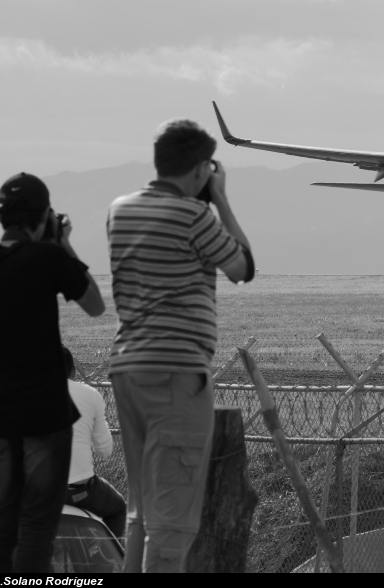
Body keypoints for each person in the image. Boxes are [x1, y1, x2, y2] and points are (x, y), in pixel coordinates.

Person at [107, 119, 255, 572]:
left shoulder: (120, 209)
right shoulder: (195, 217)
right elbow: (242, 266)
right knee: (173, 522)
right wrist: (221, 199)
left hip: (127, 365)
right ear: (199, 169)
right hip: (175, 371)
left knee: (142, 511)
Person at [0, 172, 105, 573]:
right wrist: (62, 242)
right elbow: (95, 305)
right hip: (44, 415)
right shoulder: (49, 257)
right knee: (39, 524)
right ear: (44, 218)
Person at [62, 345, 126, 538]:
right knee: (117, 509)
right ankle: (97, 558)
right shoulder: (89, 394)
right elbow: (105, 450)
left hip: (33, 489)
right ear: (73, 370)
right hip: (78, 489)